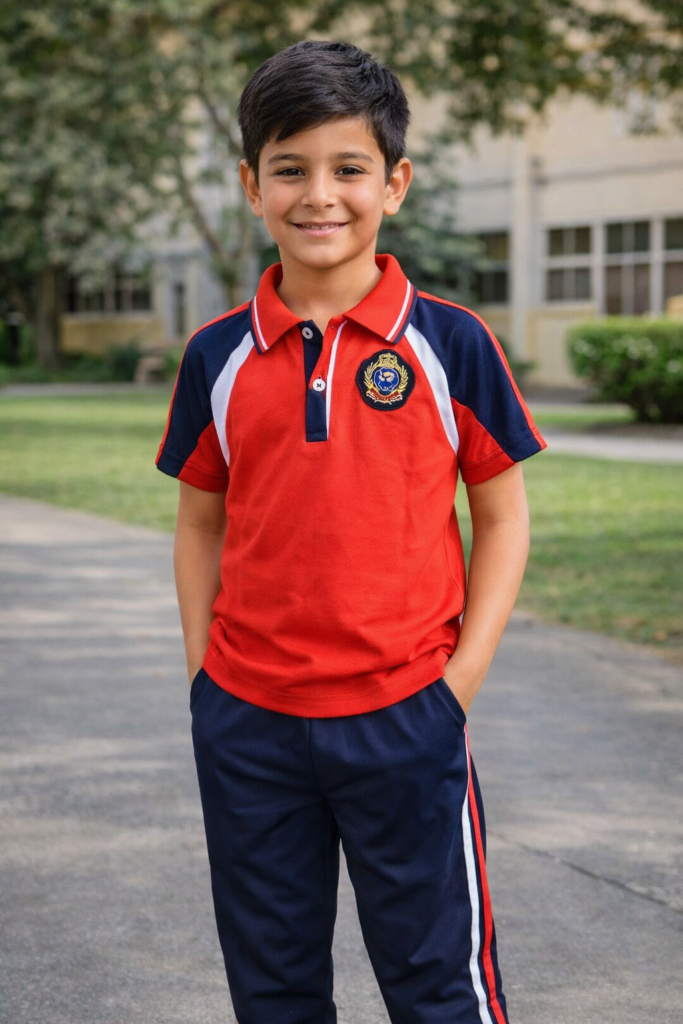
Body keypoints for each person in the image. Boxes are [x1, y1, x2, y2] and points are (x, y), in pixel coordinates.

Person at [156, 38, 547, 1024]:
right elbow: (199, 522)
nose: (319, 195)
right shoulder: (215, 355)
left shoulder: (449, 340)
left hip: (404, 714)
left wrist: (454, 686)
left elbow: (501, 515)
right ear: (251, 185)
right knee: (274, 991)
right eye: (289, 169)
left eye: (348, 169)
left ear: (394, 183)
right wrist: (206, 680)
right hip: (248, 723)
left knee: (438, 987)